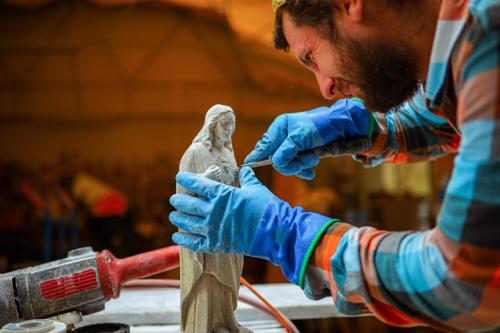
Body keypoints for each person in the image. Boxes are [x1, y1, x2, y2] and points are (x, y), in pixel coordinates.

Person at [169, 0, 500, 331]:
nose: (325, 88)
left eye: (311, 56)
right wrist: (360, 127)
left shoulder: (489, 37)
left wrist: (289, 236)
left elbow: (459, 280)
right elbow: (446, 115)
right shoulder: (464, 48)